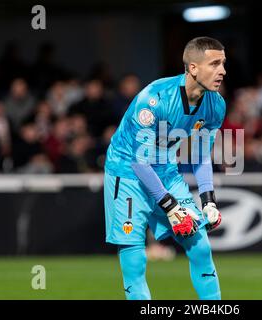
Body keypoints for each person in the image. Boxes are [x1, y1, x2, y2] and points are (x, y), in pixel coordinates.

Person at [104, 37, 226, 300]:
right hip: (126, 172)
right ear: (193, 68)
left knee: (201, 246)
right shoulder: (155, 99)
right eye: (214, 64)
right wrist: (170, 206)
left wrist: (208, 200)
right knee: (134, 258)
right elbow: (139, 161)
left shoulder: (216, 104)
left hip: (164, 169)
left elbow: (201, 153)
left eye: (223, 64)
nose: (223, 71)